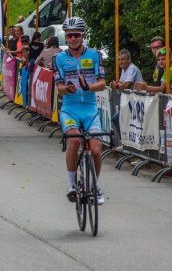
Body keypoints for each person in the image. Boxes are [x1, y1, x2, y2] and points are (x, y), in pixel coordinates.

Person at [52, 17, 106, 205]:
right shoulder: (58, 58)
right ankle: (71, 185)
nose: (73, 38)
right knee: (74, 141)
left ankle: (95, 185)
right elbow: (58, 87)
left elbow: (102, 84)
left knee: (97, 150)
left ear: (83, 36)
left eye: (76, 35)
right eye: (69, 35)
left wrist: (88, 87)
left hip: (90, 109)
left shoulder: (94, 55)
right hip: (70, 109)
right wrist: (67, 89)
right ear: (65, 37)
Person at [110, 49, 143, 137]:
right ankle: (126, 142)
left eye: (123, 59)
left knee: (117, 118)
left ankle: (125, 141)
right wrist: (117, 84)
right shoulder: (124, 69)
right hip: (132, 101)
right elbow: (122, 83)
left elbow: (127, 84)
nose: (121, 62)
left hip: (138, 100)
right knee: (120, 120)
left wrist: (117, 86)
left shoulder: (131, 68)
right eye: (119, 60)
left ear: (129, 60)